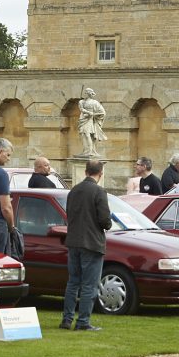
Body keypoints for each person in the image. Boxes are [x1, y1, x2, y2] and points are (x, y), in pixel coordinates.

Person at [60, 160, 113, 332]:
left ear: (85, 171)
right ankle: (83, 321)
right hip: (91, 242)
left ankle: (67, 320)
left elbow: (69, 214)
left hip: (74, 241)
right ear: (101, 173)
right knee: (90, 285)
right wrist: (109, 224)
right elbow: (104, 220)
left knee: (73, 282)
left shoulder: (73, 190)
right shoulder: (99, 191)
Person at [77, 88, 107, 157]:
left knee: (88, 134)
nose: (86, 94)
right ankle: (85, 151)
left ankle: (90, 151)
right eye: (85, 92)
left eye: (87, 92)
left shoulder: (95, 102)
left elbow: (102, 113)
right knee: (83, 135)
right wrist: (88, 112)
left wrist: (93, 114)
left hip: (90, 120)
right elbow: (81, 109)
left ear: (90, 93)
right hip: (83, 119)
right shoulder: (82, 102)